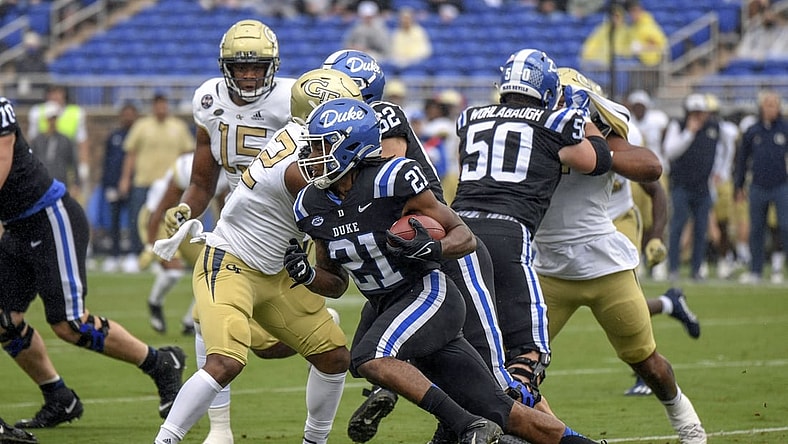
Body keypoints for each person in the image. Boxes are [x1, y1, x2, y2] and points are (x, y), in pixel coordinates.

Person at [292, 97, 601, 444]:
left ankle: (468, 425)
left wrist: (433, 248)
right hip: (386, 304)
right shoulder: (310, 204)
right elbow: (335, 281)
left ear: (351, 145)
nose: (311, 155)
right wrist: (307, 275)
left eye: (322, 145)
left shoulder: (392, 179)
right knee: (503, 410)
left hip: (428, 294)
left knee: (370, 355)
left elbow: (464, 237)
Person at [153, 68, 363, 444]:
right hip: (231, 263)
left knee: (333, 357)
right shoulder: (304, 167)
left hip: (277, 271)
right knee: (225, 362)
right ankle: (166, 439)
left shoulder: (307, 142)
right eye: (345, 114)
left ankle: (315, 441)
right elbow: (345, 202)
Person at [323, 50, 518, 444]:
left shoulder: (381, 118)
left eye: (334, 88)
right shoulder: (338, 133)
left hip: (442, 242)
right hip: (404, 257)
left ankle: (516, 423)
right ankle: (445, 416)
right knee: (370, 352)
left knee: (489, 366)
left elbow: (387, 171)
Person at [530, 70, 707, 443]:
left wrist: (592, 146)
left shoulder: (602, 132)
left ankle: (688, 424)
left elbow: (652, 169)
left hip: (605, 267)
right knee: (516, 367)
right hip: (547, 270)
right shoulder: (523, 136)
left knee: (648, 364)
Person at [0, 95, 186, 429]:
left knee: (70, 323)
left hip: (49, 218)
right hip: (16, 225)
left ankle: (161, 363)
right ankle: (59, 397)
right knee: (3, 320)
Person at [118, 92, 194, 272]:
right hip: (144, 180)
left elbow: (188, 154)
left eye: (164, 105)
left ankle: (164, 258)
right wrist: (125, 178)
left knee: (168, 222)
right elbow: (131, 154)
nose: (161, 108)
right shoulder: (141, 126)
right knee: (138, 219)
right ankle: (136, 254)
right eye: (158, 105)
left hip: (170, 184)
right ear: (153, 106)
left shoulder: (178, 127)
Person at [663, 93, 727, 281]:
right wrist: (689, 133)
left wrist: (720, 172)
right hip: (682, 184)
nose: (699, 116)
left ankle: (697, 269)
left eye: (701, 112)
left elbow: (725, 150)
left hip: (703, 186)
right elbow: (670, 151)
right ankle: (673, 267)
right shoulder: (679, 126)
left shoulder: (714, 128)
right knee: (678, 226)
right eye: (695, 112)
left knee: (701, 229)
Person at [734, 89, 788, 284]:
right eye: (767, 105)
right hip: (757, 185)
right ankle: (755, 270)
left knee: (784, 226)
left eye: (773, 105)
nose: (770, 109)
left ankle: (778, 266)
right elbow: (742, 160)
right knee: (756, 229)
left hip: (781, 185)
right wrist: (738, 185)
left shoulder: (784, 128)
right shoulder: (753, 130)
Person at [27, 85, 90, 204]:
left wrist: (82, 167)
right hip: (43, 173)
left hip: (63, 169)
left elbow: (81, 142)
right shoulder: (37, 115)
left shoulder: (75, 113)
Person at [100, 102, 139, 273]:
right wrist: (108, 184)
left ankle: (133, 254)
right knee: (113, 221)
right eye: (125, 113)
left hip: (134, 184)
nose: (128, 117)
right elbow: (107, 161)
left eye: (131, 113)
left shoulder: (138, 135)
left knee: (134, 221)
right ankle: (113, 255)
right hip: (114, 184)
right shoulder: (114, 136)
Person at [28, 101, 81, 196]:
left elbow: (73, 162)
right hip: (41, 184)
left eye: (54, 118)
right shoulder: (37, 140)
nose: (52, 121)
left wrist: (76, 183)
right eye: (50, 118)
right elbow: (31, 162)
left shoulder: (65, 140)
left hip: (60, 183)